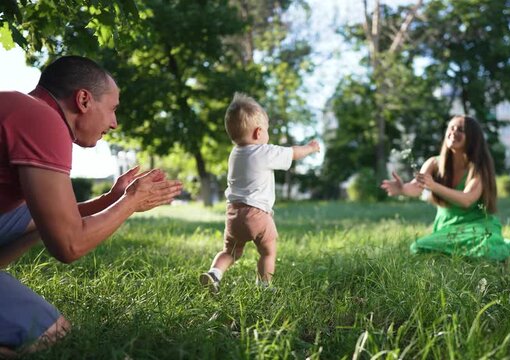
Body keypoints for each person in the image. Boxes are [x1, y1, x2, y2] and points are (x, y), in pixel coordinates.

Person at [0, 56, 183, 356]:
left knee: (36, 221)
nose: (114, 122)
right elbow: (68, 246)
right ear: (84, 99)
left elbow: (54, 218)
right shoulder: (43, 121)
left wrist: (111, 199)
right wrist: (131, 201)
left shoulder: (24, 110)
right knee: (53, 334)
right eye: (112, 109)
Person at [199, 93, 320, 293]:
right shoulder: (264, 151)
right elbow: (293, 152)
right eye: (267, 131)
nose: (268, 135)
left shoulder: (235, 154)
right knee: (268, 251)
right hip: (257, 215)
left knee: (230, 252)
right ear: (258, 133)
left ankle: (214, 273)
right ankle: (264, 286)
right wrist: (310, 147)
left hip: (234, 215)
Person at [381, 115, 510, 260]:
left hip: (479, 225)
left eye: (461, 129)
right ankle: (501, 247)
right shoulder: (434, 163)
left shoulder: (478, 167)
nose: (454, 132)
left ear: (472, 138)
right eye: (451, 128)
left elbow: (467, 199)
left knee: (483, 251)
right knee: (418, 247)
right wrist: (402, 189)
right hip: (448, 228)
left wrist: (434, 186)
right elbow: (417, 187)